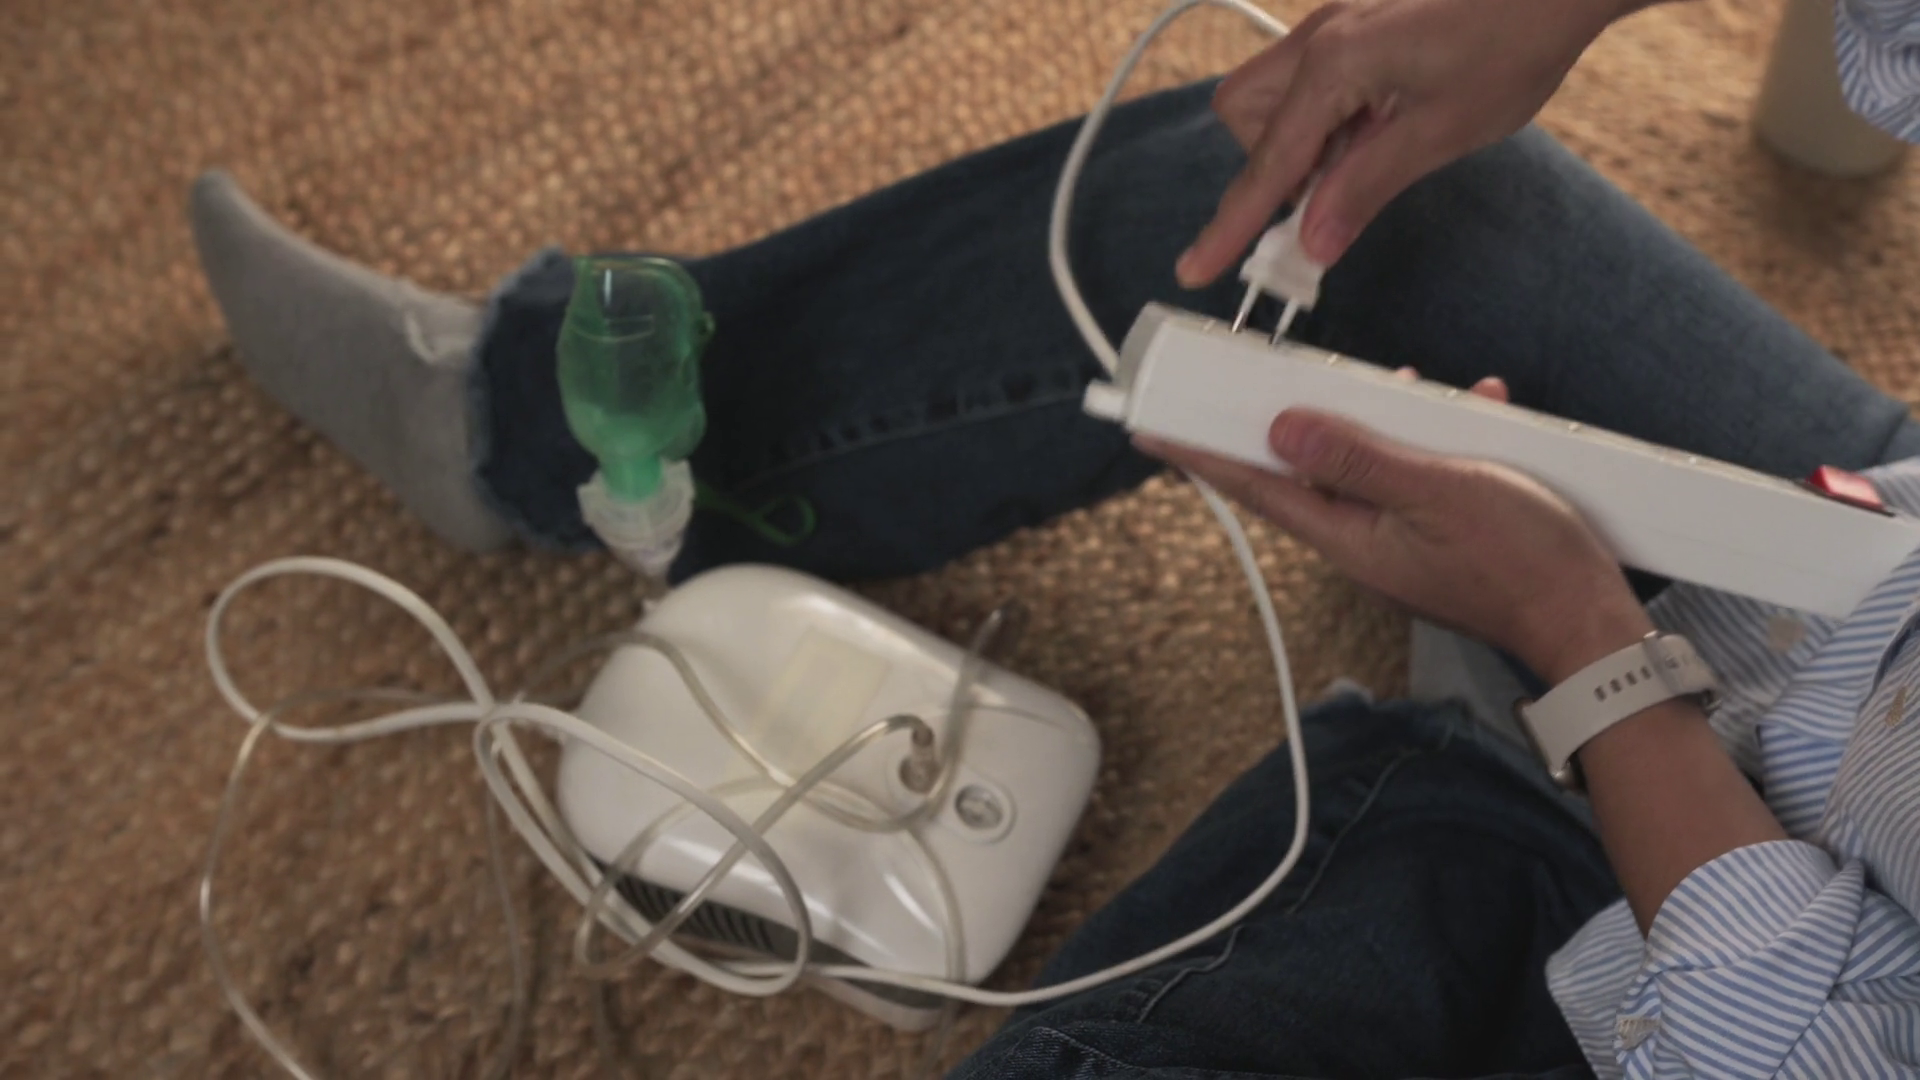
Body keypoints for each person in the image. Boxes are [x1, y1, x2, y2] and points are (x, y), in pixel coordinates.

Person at [187, 0, 1920, 1074]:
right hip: (1874, 578)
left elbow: (1789, 1044)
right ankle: (525, 426)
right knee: (1380, 199)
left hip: (1762, 954)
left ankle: (1520, 748)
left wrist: (1592, 654)